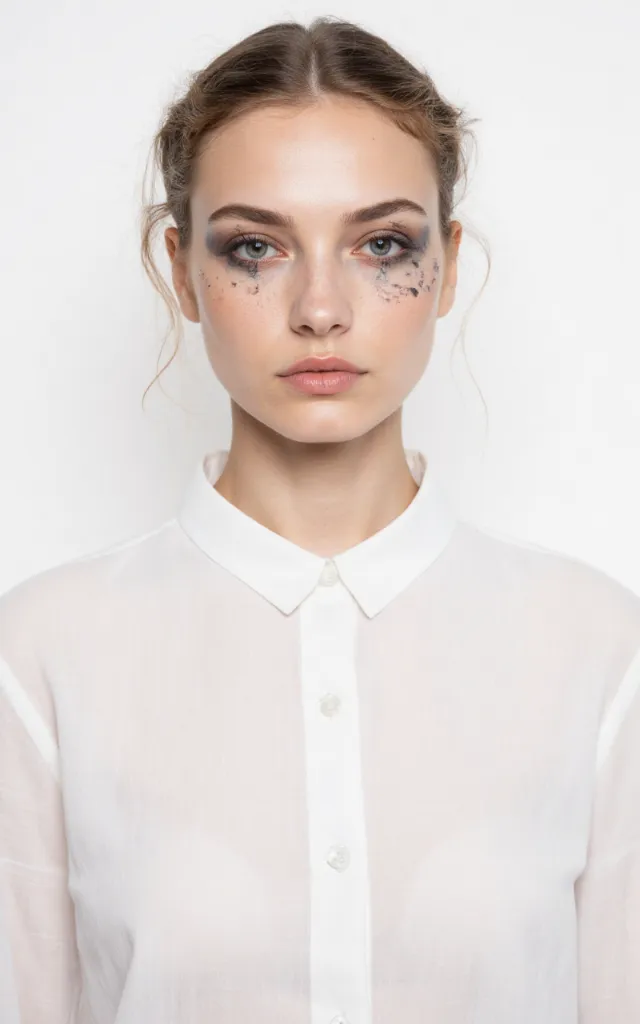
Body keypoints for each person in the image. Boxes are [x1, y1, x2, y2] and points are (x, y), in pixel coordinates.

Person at [1, 15, 638, 1024]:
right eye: (255, 248)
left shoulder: (599, 652)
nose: (320, 309)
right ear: (181, 270)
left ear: (447, 264)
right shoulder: (40, 658)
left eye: (382, 244)